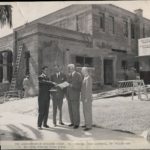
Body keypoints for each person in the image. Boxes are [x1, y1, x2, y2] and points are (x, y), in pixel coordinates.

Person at [66, 64, 82, 129]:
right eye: (69, 68)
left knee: (75, 110)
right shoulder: (69, 75)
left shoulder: (78, 75)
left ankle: (76, 123)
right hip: (69, 95)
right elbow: (67, 84)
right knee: (70, 110)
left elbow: (80, 85)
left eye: (71, 68)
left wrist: (73, 86)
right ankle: (72, 122)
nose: (70, 69)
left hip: (75, 95)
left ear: (74, 68)